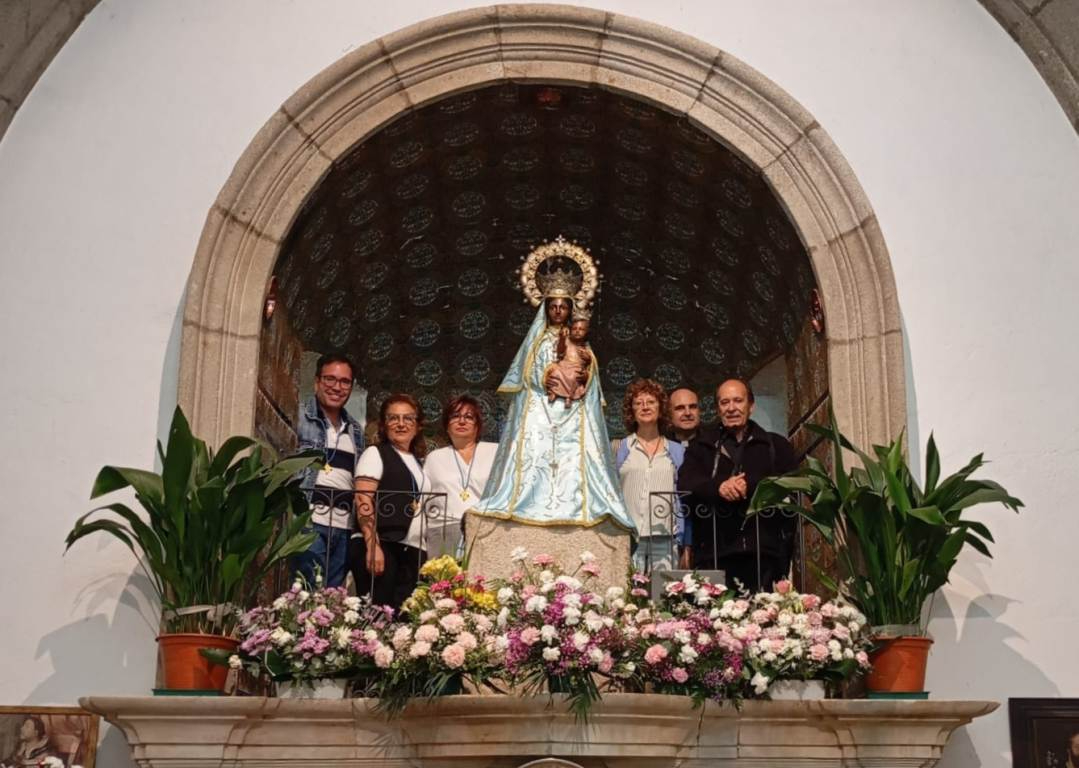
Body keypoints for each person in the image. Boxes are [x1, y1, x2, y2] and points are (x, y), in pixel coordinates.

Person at [474, 241, 634, 532]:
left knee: (576, 461)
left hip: (575, 412)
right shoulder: (538, 341)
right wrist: (548, 374)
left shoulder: (580, 340)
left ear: (571, 309)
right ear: (546, 308)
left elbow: (590, 370)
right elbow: (529, 375)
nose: (559, 311)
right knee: (534, 451)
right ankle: (527, 498)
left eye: (564, 307)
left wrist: (584, 372)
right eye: (554, 306)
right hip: (542, 409)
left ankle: (579, 503)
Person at [677, 378, 798, 592]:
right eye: (724, 403)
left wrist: (748, 486)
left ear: (750, 406)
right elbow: (687, 483)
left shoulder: (776, 445)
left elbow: (790, 482)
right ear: (717, 409)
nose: (731, 408)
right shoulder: (702, 447)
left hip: (764, 552)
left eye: (737, 401)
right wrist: (719, 488)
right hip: (714, 553)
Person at [291, 353, 364, 588]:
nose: (337, 387)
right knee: (305, 592)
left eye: (344, 382)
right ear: (316, 382)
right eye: (330, 379)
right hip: (309, 520)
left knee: (331, 602)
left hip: (343, 527)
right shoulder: (299, 416)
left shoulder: (355, 429)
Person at [350, 394, 428, 611]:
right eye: (393, 418)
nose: (401, 424)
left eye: (408, 418)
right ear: (384, 425)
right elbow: (363, 498)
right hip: (383, 546)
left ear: (418, 425)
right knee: (377, 616)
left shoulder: (417, 461)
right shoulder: (375, 453)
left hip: (410, 550)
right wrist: (372, 545)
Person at [613, 379, 688, 572]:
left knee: (663, 597)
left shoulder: (677, 451)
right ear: (632, 411)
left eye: (651, 402)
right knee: (627, 597)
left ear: (661, 408)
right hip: (628, 538)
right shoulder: (619, 449)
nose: (645, 407)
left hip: (665, 538)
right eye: (638, 403)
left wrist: (686, 542)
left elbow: (684, 498)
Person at [423, 395, 497, 557]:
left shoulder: (495, 452)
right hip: (444, 529)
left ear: (477, 425)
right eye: (455, 416)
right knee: (443, 581)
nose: (462, 421)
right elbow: (424, 499)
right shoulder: (435, 458)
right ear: (446, 425)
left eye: (469, 417)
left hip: (484, 529)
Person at [545, 310, 592, 406]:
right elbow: (560, 351)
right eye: (574, 329)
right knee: (556, 373)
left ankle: (569, 397)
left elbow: (590, 364)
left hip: (575, 367)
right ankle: (554, 392)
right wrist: (562, 339)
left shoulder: (585, 347)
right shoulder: (566, 341)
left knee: (574, 377)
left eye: (581, 329)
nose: (577, 331)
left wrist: (588, 359)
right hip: (563, 365)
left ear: (586, 332)